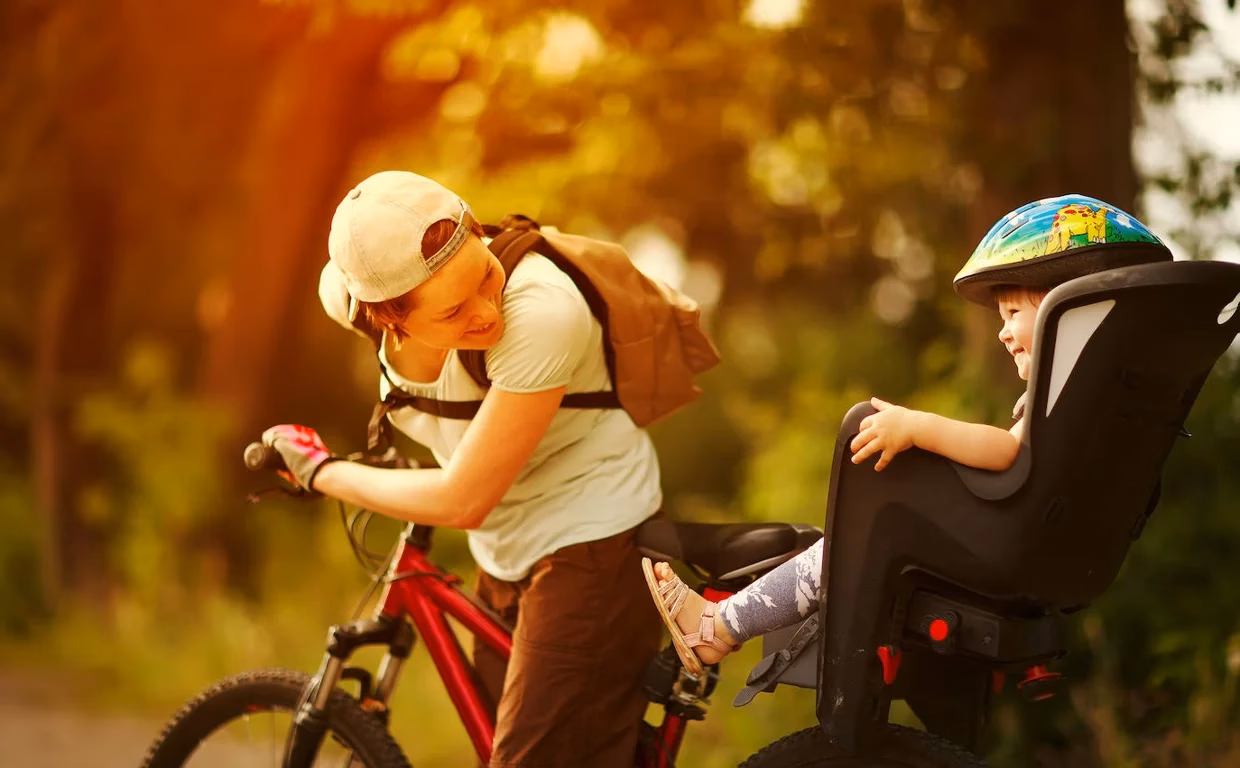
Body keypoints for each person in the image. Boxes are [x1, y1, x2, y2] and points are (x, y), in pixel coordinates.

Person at [644, 194, 1173, 676]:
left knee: (849, 543)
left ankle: (716, 627)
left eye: (1013, 311)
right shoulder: (1106, 402)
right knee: (842, 546)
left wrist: (915, 427)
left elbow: (1011, 452)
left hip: (1001, 546)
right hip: (1054, 556)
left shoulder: (1064, 396)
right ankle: (722, 622)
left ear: (1070, 315)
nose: (1001, 330)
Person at [263, 171, 663, 767]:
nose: (486, 311)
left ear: (478, 231)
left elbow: (461, 500)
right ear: (384, 318)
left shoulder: (543, 311)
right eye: (453, 311)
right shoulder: (350, 300)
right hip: (504, 549)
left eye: (485, 274)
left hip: (591, 541)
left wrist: (323, 472)